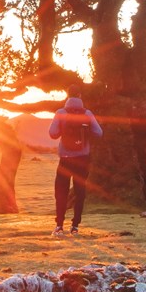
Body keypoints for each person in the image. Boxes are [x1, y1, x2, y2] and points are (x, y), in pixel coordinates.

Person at [48, 96, 102, 235]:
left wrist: (62, 130)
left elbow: (52, 134)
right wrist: (86, 132)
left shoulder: (60, 113)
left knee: (61, 192)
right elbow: (99, 133)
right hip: (83, 159)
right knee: (80, 192)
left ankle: (59, 226)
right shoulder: (87, 113)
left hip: (65, 159)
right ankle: (75, 226)